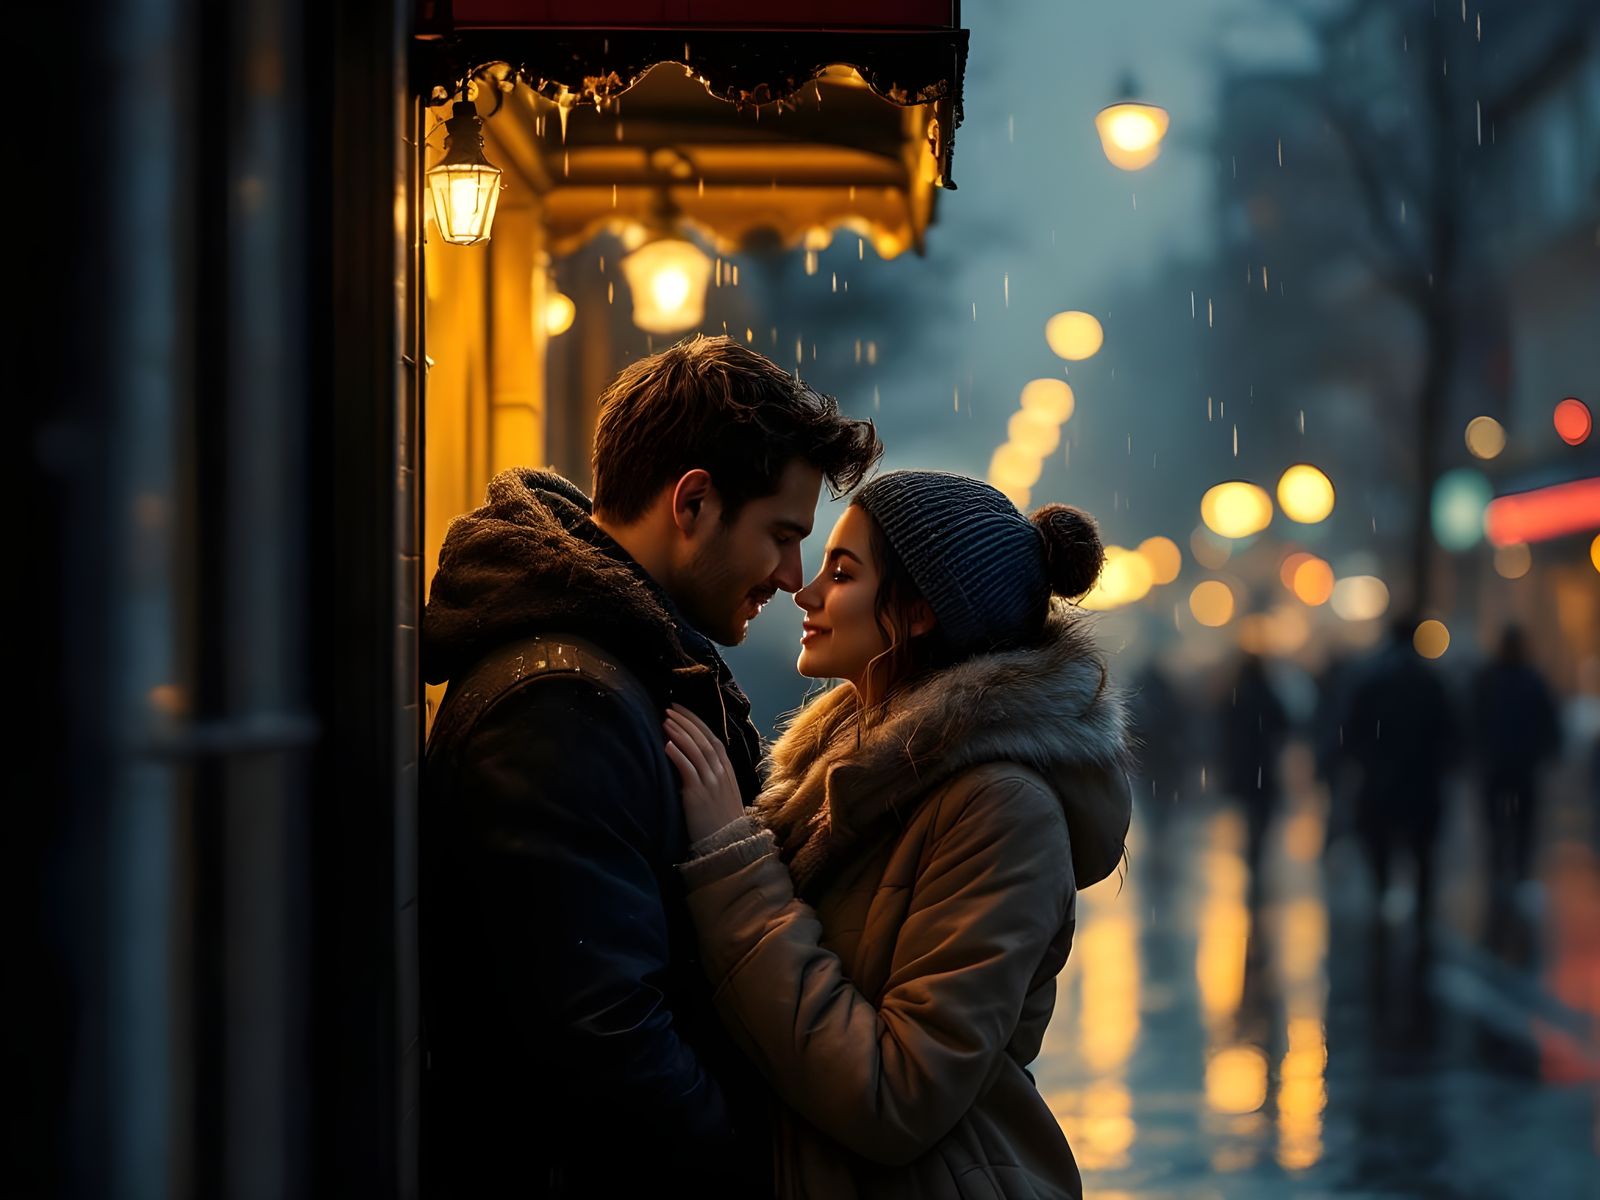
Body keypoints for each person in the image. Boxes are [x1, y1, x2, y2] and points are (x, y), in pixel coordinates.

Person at [418, 335, 881, 1197]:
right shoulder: (566, 702)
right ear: (694, 502)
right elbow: (604, 1035)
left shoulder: (610, 668)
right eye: (782, 536)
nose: (791, 577)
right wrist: (752, 1164)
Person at [662, 471, 1133, 1199]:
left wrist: (733, 867)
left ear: (917, 613)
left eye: (842, 573)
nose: (806, 592)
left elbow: (897, 1098)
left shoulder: (1002, 810)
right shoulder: (841, 774)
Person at [1340, 614, 1458, 938]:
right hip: (1420, 784)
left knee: (1381, 855)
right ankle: (1421, 924)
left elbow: (1351, 733)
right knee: (1421, 857)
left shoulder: (1371, 681)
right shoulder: (1430, 682)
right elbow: (1451, 736)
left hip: (1381, 783)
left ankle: (1382, 911)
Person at [1471, 625, 1562, 936]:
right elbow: (1549, 721)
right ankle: (1517, 875)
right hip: (1520, 766)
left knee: (1499, 824)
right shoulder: (1531, 680)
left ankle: (1501, 874)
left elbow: (1474, 719)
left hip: (1498, 765)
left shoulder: (1489, 680)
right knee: (1522, 824)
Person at [1218, 652, 1290, 906]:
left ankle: (1253, 860)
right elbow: (1285, 724)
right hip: (1263, 769)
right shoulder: (1267, 695)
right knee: (1262, 818)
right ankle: (1256, 861)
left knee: (1250, 818)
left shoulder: (1236, 696)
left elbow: (1223, 732)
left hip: (1244, 770)